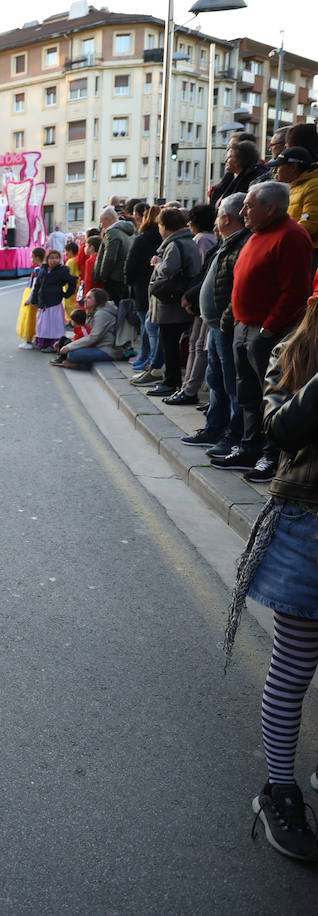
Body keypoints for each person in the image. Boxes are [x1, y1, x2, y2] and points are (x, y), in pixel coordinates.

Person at [224, 300, 318, 862]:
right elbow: (280, 429)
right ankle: (278, 787)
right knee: (295, 662)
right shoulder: (291, 352)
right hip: (308, 522)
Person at [212, 181, 316, 483]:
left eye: (250, 205)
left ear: (270, 208)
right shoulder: (256, 235)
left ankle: (270, 456)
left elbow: (295, 289)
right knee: (246, 393)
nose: (243, 210)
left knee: (270, 395)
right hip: (244, 327)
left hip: (266, 331)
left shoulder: (292, 236)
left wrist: (270, 327)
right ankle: (249, 447)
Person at [181, 193, 250, 450]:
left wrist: (225, 319)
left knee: (231, 384)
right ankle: (214, 429)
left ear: (226, 217)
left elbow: (239, 287)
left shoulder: (242, 243)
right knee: (216, 381)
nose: (214, 223)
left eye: (218, 215)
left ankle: (232, 437)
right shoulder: (227, 242)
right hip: (216, 325)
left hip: (226, 326)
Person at [142, 208, 202, 398]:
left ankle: (171, 382)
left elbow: (168, 269)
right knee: (177, 344)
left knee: (169, 344)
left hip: (170, 304)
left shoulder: (174, 244)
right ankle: (174, 381)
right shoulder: (189, 241)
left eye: (160, 225)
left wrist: (156, 263)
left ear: (166, 227)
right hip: (181, 299)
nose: (159, 229)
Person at [168, 204, 220, 407]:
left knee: (198, 346)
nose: (189, 224)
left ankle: (189, 389)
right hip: (201, 299)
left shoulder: (202, 240)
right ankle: (188, 387)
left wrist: (191, 295)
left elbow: (203, 272)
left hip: (203, 302)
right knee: (196, 345)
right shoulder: (212, 240)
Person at [127, 205, 164, 380]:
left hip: (143, 286)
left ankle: (148, 360)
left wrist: (129, 283)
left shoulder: (141, 239)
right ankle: (148, 359)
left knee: (147, 325)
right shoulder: (164, 240)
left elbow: (131, 263)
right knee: (151, 326)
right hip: (158, 286)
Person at [267, 147, 318, 271]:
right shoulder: (293, 185)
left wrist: (279, 240)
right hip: (295, 247)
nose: (275, 171)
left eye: (279, 167)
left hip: (310, 252)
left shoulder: (313, 185)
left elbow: (309, 223)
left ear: (293, 166)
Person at [50, 289, 121, 369]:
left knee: (73, 354)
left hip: (107, 350)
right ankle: (76, 362)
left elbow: (93, 337)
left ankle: (82, 365)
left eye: (89, 298)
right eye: (86, 297)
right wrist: (65, 344)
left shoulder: (102, 314)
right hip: (97, 347)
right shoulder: (93, 311)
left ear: (98, 300)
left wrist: (69, 347)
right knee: (67, 346)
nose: (85, 299)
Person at [30, 249, 74, 351]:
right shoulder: (43, 270)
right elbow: (37, 286)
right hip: (43, 303)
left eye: (57, 258)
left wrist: (66, 294)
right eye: (51, 258)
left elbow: (72, 281)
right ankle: (43, 343)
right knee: (43, 324)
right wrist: (34, 300)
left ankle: (54, 345)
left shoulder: (62, 271)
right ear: (47, 259)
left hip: (54, 303)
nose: (54, 260)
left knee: (54, 325)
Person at [211, 138, 270, 206]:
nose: (225, 161)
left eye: (229, 157)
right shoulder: (230, 177)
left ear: (240, 160)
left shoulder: (253, 180)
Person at [98, 205, 135, 303]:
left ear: (108, 219)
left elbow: (110, 258)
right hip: (124, 276)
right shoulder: (128, 232)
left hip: (113, 278)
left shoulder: (112, 233)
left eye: (101, 221)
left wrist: (103, 276)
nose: (101, 226)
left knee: (113, 307)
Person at [15, 248, 44, 350]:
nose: (30, 259)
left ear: (37, 257)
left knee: (29, 318)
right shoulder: (42, 268)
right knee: (35, 318)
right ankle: (35, 339)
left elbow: (35, 285)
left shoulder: (37, 270)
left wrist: (29, 299)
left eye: (32, 257)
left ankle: (28, 340)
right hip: (34, 295)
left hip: (31, 294)